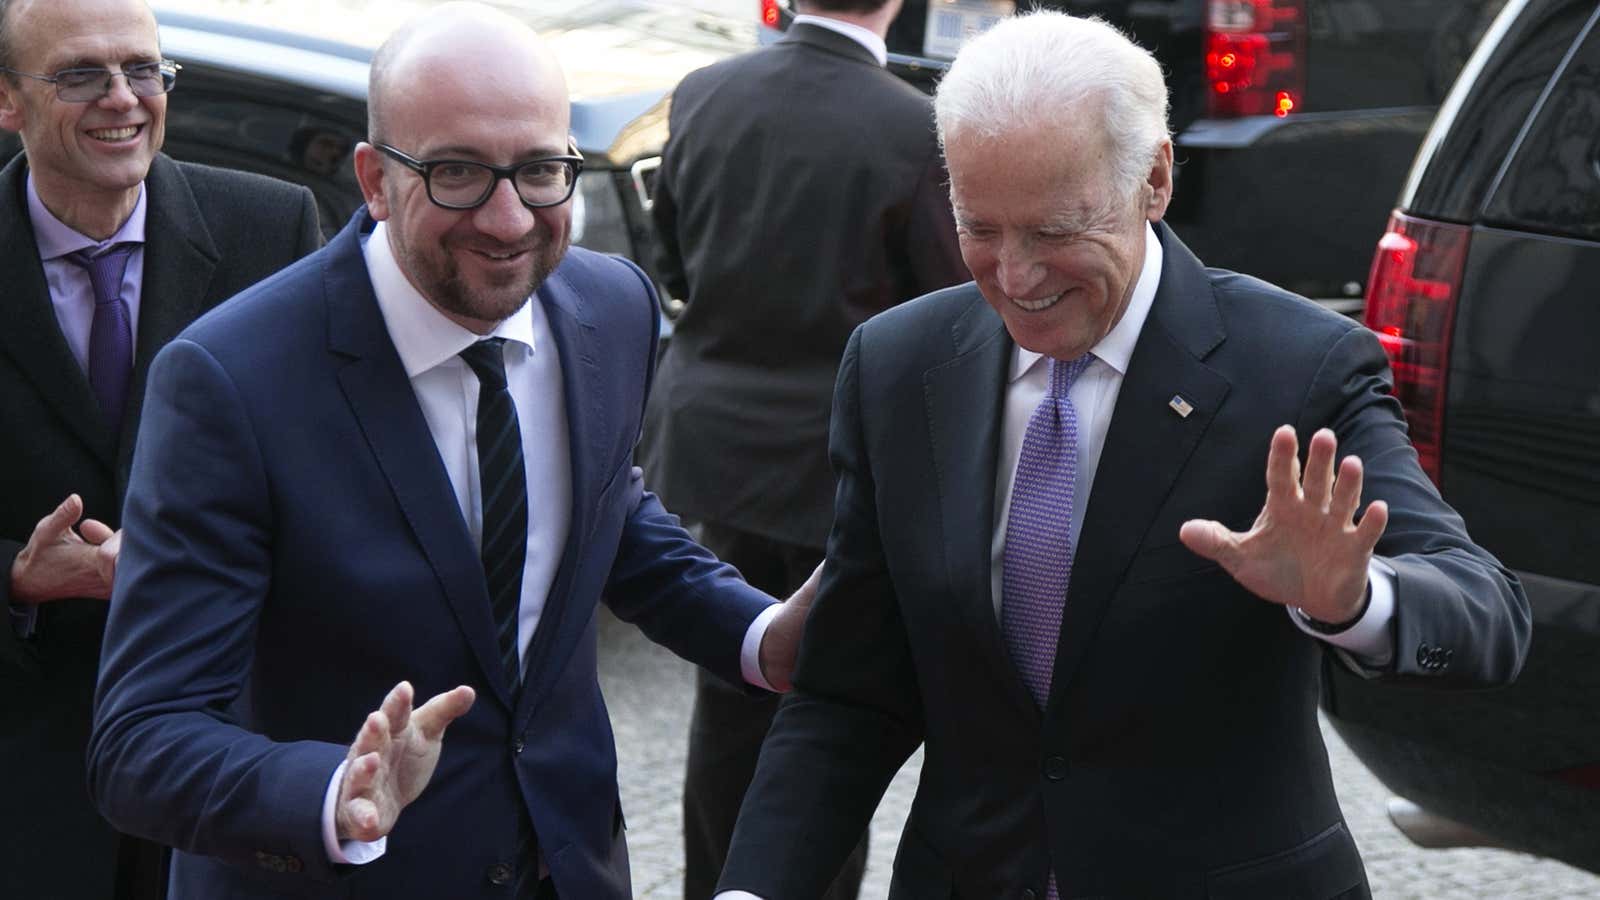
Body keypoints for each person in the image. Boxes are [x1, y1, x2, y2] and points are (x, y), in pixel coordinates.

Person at [716, 12, 1531, 900]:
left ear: (1154, 178)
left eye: (1057, 229)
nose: (1016, 275)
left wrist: (1352, 599)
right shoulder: (896, 366)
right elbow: (849, 689)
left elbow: (1486, 616)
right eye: (979, 228)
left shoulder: (1295, 368)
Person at [86, 4, 810, 899]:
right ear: (375, 180)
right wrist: (329, 792)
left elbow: (606, 519)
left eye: (543, 170)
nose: (510, 219)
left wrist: (760, 634)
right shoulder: (230, 379)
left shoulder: (611, 309)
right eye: (459, 172)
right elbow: (141, 740)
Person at [640, 0, 967, 895]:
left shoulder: (705, 91)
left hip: (717, 445)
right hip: (838, 461)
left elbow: (672, 254)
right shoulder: (915, 124)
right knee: (829, 710)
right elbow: (947, 304)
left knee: (732, 698)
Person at [0, 0, 321, 895]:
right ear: (6, 101)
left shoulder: (273, 229)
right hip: (27, 778)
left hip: (224, 759)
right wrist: (20, 579)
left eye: (144, 70)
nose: (124, 99)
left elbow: (338, 469)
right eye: (79, 75)